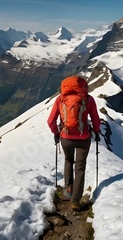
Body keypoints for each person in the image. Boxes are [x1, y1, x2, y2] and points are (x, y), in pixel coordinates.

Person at [47, 76, 101, 210]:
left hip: (66, 137)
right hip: (83, 139)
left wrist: (56, 133)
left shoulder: (60, 99)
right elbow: (95, 120)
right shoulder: (89, 99)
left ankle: (68, 189)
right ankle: (75, 201)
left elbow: (50, 121)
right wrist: (96, 131)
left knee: (68, 161)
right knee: (80, 168)